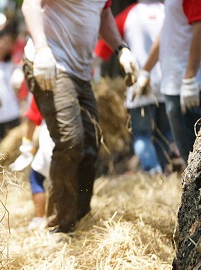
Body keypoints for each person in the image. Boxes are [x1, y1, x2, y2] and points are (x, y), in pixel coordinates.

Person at [21, 0, 139, 234]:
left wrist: (120, 48)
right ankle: (59, 227)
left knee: (91, 143)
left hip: (81, 73)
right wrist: (42, 49)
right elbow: (30, 5)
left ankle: (79, 220)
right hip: (50, 64)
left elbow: (103, 13)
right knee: (70, 140)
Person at [93, 0, 172, 175]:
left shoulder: (130, 14)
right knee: (164, 134)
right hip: (167, 84)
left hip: (139, 85)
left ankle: (152, 171)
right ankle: (162, 170)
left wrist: (91, 70)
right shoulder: (168, 11)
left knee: (142, 134)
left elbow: (104, 46)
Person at [136, 0, 200, 165]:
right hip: (174, 84)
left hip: (191, 86)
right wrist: (145, 70)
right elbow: (167, 31)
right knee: (189, 157)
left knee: (195, 158)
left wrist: (190, 78)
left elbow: (200, 25)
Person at [10, 98, 54, 229]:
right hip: (75, 140)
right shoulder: (73, 85)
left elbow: (32, 118)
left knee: (36, 178)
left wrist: (27, 144)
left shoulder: (43, 89)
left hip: (52, 141)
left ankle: (40, 218)